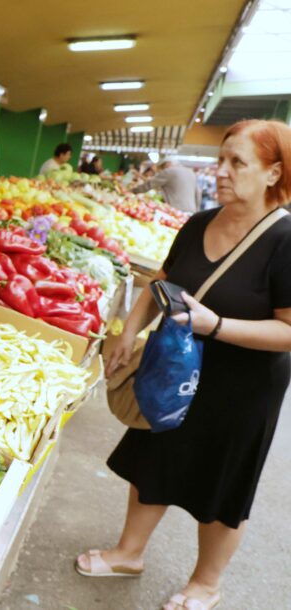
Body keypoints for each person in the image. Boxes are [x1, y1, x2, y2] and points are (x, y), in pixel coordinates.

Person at [78, 119, 291, 610]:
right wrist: (128, 334)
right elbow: (164, 281)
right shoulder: (198, 224)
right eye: (221, 159)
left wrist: (216, 326)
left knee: (222, 482)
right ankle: (129, 553)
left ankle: (206, 584)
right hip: (174, 370)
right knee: (156, 458)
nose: (221, 172)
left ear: (273, 172)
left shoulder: (285, 241)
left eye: (237, 163)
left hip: (245, 386)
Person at [133, 158, 201, 214]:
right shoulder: (190, 172)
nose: (161, 170)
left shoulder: (169, 171)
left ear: (167, 164)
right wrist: (196, 210)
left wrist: (132, 191)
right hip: (191, 210)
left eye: (162, 167)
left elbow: (150, 185)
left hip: (175, 210)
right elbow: (198, 193)